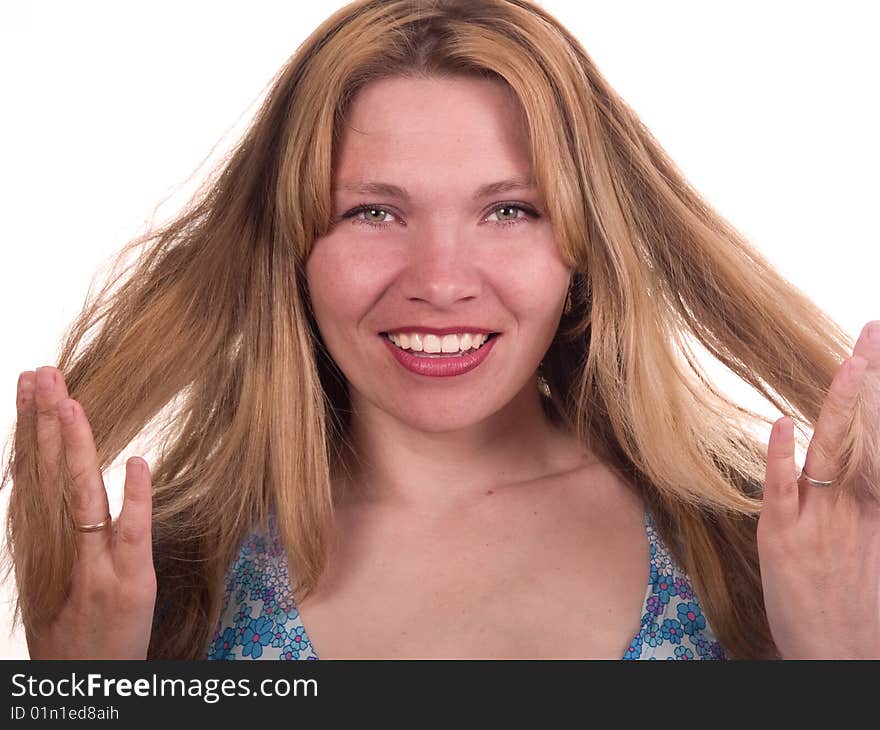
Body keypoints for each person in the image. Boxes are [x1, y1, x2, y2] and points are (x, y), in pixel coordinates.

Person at [3, 0, 879, 660]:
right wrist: (81, 697)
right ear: (292, 247)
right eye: (374, 212)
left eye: (508, 209)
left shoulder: (766, 547)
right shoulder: (160, 582)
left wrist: (841, 674)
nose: (441, 283)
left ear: (586, 244)